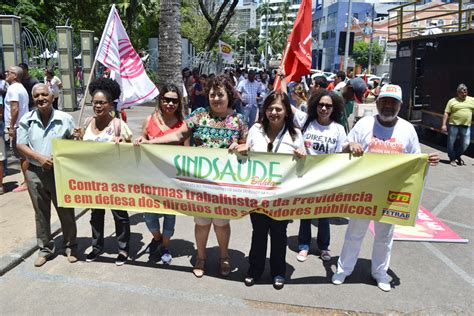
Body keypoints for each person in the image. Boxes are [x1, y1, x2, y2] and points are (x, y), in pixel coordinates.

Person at [331, 84, 439, 292]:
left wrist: (427, 160)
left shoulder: (407, 129)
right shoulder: (364, 125)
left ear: (400, 105)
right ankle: (344, 269)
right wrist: (350, 146)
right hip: (363, 192)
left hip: (391, 195)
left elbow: (415, 159)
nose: (388, 106)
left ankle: (380, 272)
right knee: (355, 232)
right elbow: (343, 147)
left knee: (384, 236)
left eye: (393, 102)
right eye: (384, 101)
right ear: (377, 102)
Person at [139, 75, 248, 278]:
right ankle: (201, 258)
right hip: (200, 184)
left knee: (222, 224)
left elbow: (247, 146)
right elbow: (179, 135)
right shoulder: (198, 116)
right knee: (202, 223)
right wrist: (151, 142)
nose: (216, 98)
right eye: (213, 94)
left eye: (220, 95)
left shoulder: (238, 120)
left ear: (228, 96)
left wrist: (242, 146)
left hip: (225, 185)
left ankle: (224, 257)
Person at [231, 90, 305, 290]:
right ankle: (254, 269)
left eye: (278, 109)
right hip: (258, 193)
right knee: (259, 232)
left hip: (282, 195)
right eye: (270, 108)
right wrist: (240, 150)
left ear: (287, 112)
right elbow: (246, 154)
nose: (274, 112)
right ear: (265, 110)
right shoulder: (255, 130)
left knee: (279, 233)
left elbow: (303, 166)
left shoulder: (296, 134)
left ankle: (278, 271)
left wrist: (302, 155)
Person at [16, 83, 78, 267]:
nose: (41, 98)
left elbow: (74, 143)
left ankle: (71, 246)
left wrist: (78, 137)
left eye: (44, 94)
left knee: (66, 210)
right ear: (33, 98)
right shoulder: (27, 119)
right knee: (41, 213)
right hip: (35, 172)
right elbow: (20, 145)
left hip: (60, 172)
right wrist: (39, 158)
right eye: (37, 96)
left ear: (52, 97)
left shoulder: (65, 118)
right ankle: (45, 249)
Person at [73, 78, 131, 266]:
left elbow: (133, 150)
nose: (98, 106)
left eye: (102, 102)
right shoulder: (87, 123)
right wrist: (78, 140)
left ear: (110, 104)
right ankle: (97, 247)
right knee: (95, 215)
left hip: (115, 179)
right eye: (95, 102)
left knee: (119, 215)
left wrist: (123, 144)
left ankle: (123, 249)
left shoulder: (119, 125)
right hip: (92, 180)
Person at [134, 84, 189, 264]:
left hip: (173, 179)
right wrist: (138, 141)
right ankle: (156, 239)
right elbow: (141, 142)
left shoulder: (184, 125)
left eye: (174, 100)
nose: (170, 104)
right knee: (149, 216)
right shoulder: (149, 120)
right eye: (167, 99)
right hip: (151, 177)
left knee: (169, 216)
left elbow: (188, 153)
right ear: (160, 100)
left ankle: (165, 246)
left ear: (179, 103)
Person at [292, 90, 347, 263]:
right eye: (320, 105)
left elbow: (342, 153)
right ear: (315, 105)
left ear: (334, 108)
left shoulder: (338, 129)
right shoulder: (307, 122)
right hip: (306, 177)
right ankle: (304, 246)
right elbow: (287, 104)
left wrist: (352, 145)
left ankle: (324, 247)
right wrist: (282, 79)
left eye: (328, 106)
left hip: (326, 179)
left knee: (324, 215)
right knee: (306, 213)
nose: (324, 108)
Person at [4, 66, 30, 192]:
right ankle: (27, 181)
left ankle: (26, 182)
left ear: (15, 75)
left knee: (22, 156)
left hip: (17, 126)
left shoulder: (13, 89)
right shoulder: (20, 87)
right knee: (24, 155)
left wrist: (12, 127)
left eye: (8, 72)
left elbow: (15, 108)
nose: (6, 74)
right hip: (22, 125)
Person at [441, 84, 473, 166]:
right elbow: (446, 113)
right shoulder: (452, 101)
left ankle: (457, 156)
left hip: (466, 125)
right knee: (451, 143)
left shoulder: (471, 100)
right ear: (458, 93)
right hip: (453, 125)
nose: (464, 94)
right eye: (462, 92)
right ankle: (452, 158)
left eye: (465, 92)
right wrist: (444, 125)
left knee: (466, 143)